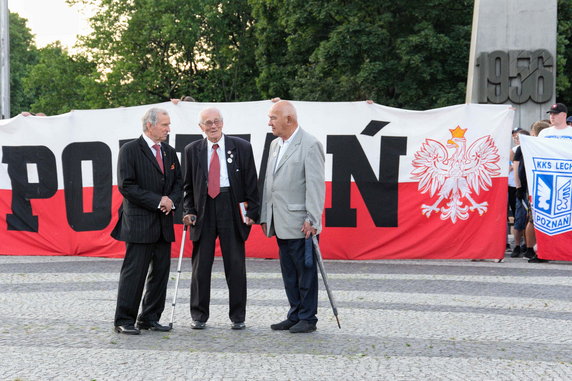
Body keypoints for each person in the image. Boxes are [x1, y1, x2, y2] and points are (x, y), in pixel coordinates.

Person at [182, 107, 259, 330]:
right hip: (203, 207)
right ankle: (199, 315)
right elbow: (187, 187)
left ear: (223, 123)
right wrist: (188, 210)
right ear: (201, 127)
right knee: (201, 265)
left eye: (216, 122)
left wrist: (252, 212)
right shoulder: (191, 150)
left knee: (235, 263)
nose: (213, 126)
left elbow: (251, 182)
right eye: (208, 123)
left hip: (231, 205)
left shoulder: (241, 147)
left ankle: (238, 316)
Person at [112, 108, 183, 335]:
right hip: (139, 224)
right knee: (134, 273)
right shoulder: (130, 150)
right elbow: (127, 186)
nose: (168, 129)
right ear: (150, 125)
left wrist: (171, 200)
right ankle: (124, 319)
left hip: (163, 223)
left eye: (168, 124)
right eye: (164, 125)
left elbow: (178, 183)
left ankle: (150, 317)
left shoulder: (170, 152)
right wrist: (157, 200)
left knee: (160, 273)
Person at [260, 100, 326, 333]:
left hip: (301, 222)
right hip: (280, 221)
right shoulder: (276, 145)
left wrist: (312, 219)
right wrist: (266, 214)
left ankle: (308, 318)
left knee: (305, 270)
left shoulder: (310, 145)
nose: (269, 123)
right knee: (289, 272)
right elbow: (270, 183)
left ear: (289, 119)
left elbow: (315, 185)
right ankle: (295, 313)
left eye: (273, 118)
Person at [510, 129, 529, 257]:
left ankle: (528, 245)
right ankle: (517, 245)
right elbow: (516, 169)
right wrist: (518, 187)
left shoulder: (534, 148)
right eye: (516, 138)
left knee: (530, 220)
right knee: (519, 218)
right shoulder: (518, 150)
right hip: (522, 188)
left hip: (531, 188)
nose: (518, 140)